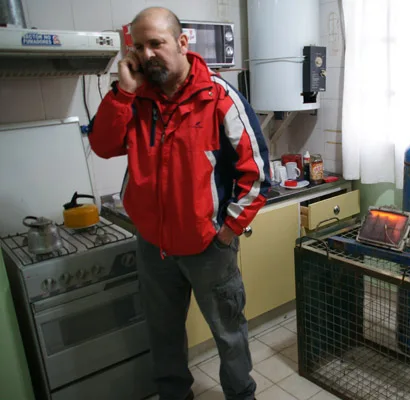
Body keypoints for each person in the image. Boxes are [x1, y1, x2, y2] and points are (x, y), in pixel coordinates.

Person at [88, 7, 270, 400]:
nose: (147, 54)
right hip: (154, 246)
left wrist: (227, 231)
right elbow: (102, 146)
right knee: (164, 336)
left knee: (230, 335)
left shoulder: (219, 98)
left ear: (182, 43)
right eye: (138, 46)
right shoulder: (135, 101)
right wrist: (122, 92)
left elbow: (257, 173)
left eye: (156, 43)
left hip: (209, 248)